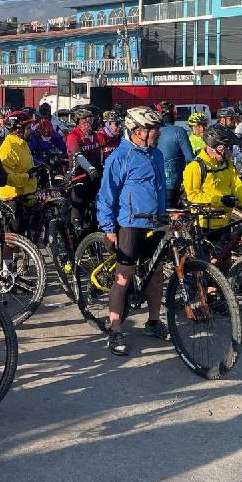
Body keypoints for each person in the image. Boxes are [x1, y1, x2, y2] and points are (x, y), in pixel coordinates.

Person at [96, 106, 168, 356]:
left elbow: (160, 189)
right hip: (130, 223)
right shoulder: (120, 156)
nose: (157, 133)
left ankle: (153, 321)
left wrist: (165, 216)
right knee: (123, 277)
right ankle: (115, 330)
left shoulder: (156, 154)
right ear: (137, 131)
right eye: (152, 129)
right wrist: (108, 228)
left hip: (155, 222)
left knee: (156, 274)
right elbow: (106, 194)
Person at [182, 125, 242, 238]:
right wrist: (220, 200)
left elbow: (237, 185)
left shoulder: (226, 164)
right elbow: (193, 196)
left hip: (225, 220)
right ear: (214, 148)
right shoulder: (195, 167)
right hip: (205, 224)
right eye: (226, 148)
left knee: (225, 254)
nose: (230, 153)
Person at [0, 110, 39, 236]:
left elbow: (24, 167)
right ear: (18, 129)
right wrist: (28, 176)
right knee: (12, 241)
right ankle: (8, 257)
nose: (31, 130)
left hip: (26, 194)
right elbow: (8, 178)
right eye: (28, 128)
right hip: (13, 198)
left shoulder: (22, 144)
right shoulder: (8, 147)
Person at [66, 106, 103, 228]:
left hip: (95, 177)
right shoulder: (73, 136)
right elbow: (78, 156)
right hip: (79, 177)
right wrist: (90, 168)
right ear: (80, 122)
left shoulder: (95, 135)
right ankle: (75, 234)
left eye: (92, 120)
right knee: (78, 209)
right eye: (88, 121)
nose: (91, 124)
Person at [155, 100, 194, 207]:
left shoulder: (151, 132)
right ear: (174, 116)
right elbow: (190, 158)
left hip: (152, 183)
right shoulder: (179, 131)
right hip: (172, 182)